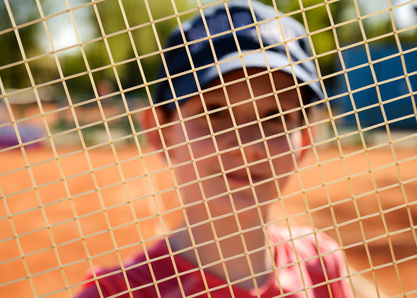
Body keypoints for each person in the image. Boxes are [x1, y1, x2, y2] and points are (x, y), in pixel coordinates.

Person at [77, 1, 353, 297]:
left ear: (305, 139)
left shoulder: (322, 263)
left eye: (275, 117)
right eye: (215, 112)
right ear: (161, 132)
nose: (248, 146)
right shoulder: (118, 293)